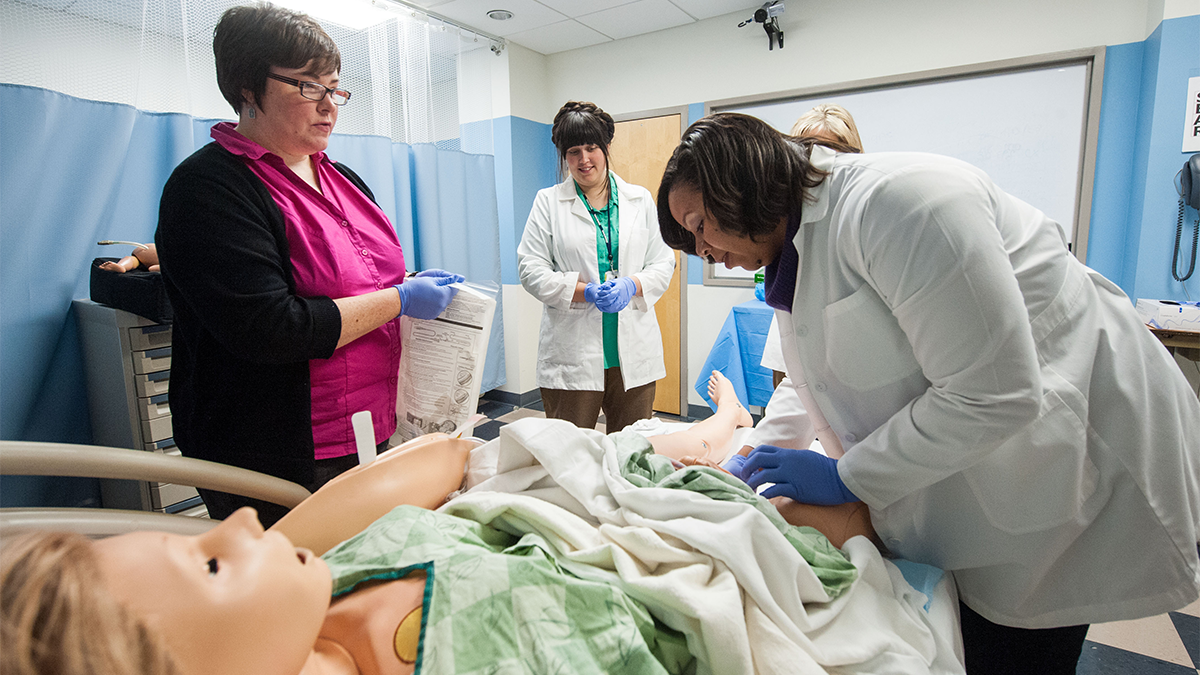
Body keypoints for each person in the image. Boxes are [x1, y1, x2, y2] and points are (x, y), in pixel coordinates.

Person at [656, 111, 1200, 674]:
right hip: (978, 463)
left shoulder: (902, 204)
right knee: (965, 632)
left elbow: (996, 393)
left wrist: (847, 476)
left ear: (740, 181)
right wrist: (749, 453)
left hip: (1074, 453)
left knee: (1019, 643)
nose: (705, 252)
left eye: (700, 226)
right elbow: (812, 375)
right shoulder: (793, 248)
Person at [0, 415, 878, 675]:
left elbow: (448, 457)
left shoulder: (294, 599)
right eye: (213, 563)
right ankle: (724, 431)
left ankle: (721, 427)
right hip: (630, 553)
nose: (232, 521)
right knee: (839, 518)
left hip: (546, 496)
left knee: (655, 440)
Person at [154, 4, 463, 526]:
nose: (329, 106)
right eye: (307, 87)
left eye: (335, 88)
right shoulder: (208, 188)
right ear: (247, 89)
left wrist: (405, 285)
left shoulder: (341, 177)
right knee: (290, 585)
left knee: (359, 571)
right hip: (274, 444)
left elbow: (363, 277)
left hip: (369, 422)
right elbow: (271, 328)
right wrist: (400, 299)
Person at [517, 101, 676, 434]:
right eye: (573, 151)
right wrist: (583, 292)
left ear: (605, 148)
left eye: (591, 148)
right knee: (569, 450)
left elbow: (663, 261)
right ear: (564, 156)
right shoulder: (548, 202)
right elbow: (531, 268)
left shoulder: (639, 199)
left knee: (632, 449)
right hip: (572, 352)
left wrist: (631, 285)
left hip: (632, 352)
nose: (584, 159)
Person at [761, 104, 865, 389]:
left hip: (849, 347)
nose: (821, 159)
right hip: (793, 344)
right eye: (810, 148)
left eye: (833, 149)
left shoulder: (863, 211)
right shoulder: (783, 210)